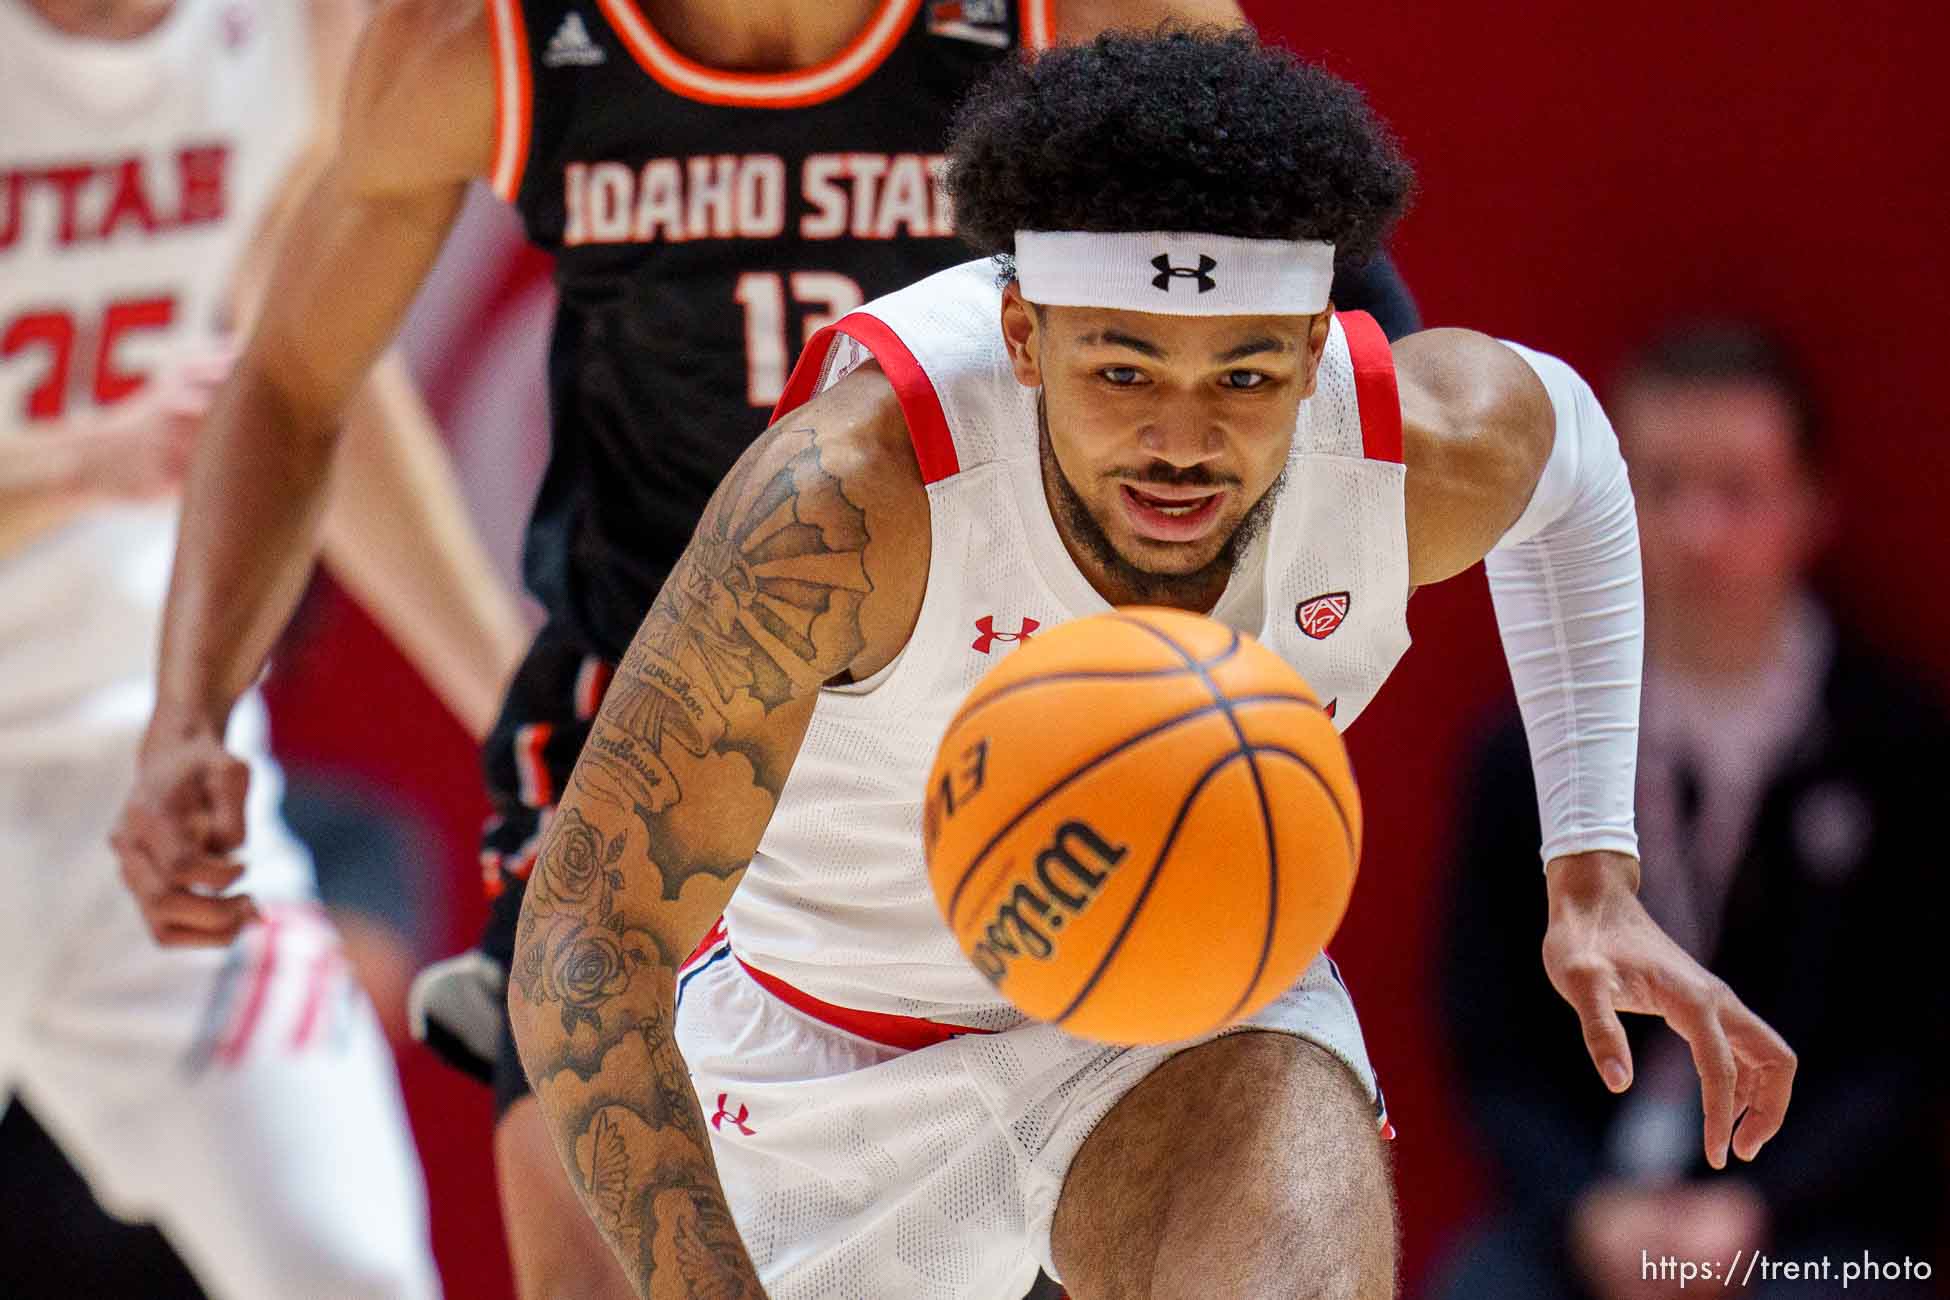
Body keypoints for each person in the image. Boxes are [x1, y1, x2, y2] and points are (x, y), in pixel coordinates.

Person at [108, 1, 1422, 1297]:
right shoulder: (486, 41)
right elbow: (289, 379)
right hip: (664, 774)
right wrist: (191, 709)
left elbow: (1361, 393)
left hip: (1005, 752)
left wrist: (1215, 688)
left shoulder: (1081, 19)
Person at [492, 29, 1799, 1299]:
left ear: (1303, 358)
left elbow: (1570, 453)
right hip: (825, 1047)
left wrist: (1589, 869)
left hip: (1185, 1022)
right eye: (1121, 368)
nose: (1181, 441)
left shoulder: (1411, 447)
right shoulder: (849, 500)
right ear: (1023, 340)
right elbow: (583, 937)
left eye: (1238, 376)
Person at [0, 0, 530, 1295]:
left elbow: (313, 394)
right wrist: (79, 464)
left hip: (142, 780)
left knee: (351, 1269)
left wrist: (525, 710)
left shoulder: (307, 27)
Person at [1433, 323, 1947, 1300]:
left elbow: (1911, 1045)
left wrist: (1759, 1209)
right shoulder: (1523, 748)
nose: (1698, 531)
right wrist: (1588, 1209)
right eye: (1660, 488)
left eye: (1738, 490)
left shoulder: (1898, 746)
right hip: (1581, 1216)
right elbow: (1488, 1038)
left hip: (1816, 1224)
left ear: (1810, 505)